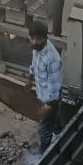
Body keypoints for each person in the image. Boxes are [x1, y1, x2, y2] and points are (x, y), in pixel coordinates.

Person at [27, 20, 63, 152]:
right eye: (33, 39)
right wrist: (29, 78)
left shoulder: (52, 58)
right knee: (53, 119)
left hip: (51, 98)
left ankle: (44, 153)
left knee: (43, 129)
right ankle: (58, 132)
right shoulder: (36, 49)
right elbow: (34, 64)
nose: (35, 42)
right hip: (42, 93)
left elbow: (54, 89)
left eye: (39, 39)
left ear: (45, 38)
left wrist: (47, 107)